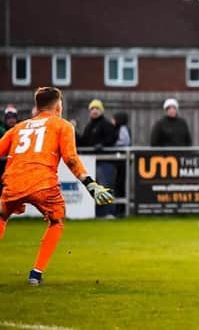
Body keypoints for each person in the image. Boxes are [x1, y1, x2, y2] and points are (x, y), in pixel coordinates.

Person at [0, 87, 114, 286]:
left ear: (37, 106)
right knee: (56, 220)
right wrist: (90, 184)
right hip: (42, 184)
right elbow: (70, 158)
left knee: (1, 216)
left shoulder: (18, 128)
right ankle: (36, 274)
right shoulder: (62, 125)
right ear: (58, 105)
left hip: (13, 182)